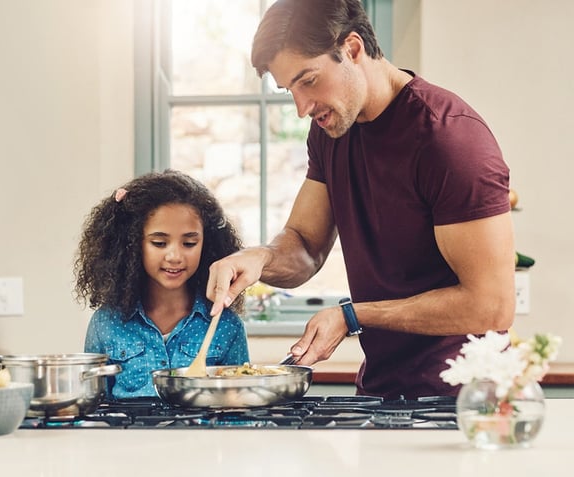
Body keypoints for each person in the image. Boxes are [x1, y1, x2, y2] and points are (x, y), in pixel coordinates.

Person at [205, 0, 514, 399]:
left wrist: (352, 315)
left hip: (464, 401)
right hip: (381, 392)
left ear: (352, 48)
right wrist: (259, 258)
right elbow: (304, 245)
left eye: (309, 80)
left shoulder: (448, 138)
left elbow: (491, 305)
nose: (301, 108)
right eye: (289, 91)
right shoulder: (331, 130)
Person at [75, 170, 250, 399]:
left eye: (189, 243)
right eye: (159, 243)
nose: (175, 256)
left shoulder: (225, 324)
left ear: (206, 245)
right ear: (132, 244)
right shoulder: (106, 323)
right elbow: (95, 408)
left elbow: (239, 405)